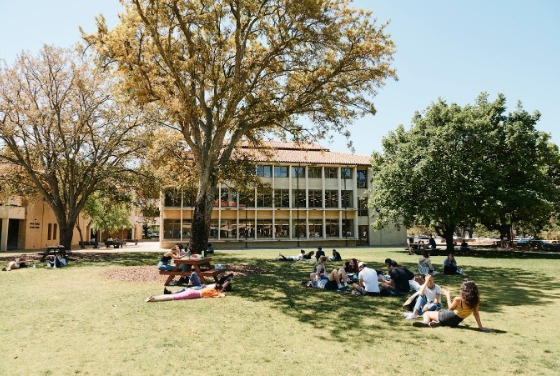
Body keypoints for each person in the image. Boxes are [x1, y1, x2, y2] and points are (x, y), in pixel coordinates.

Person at [413, 279, 493, 332]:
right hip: (455, 322)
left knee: (427, 313)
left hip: (448, 316)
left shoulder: (458, 299)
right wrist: (481, 327)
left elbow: (450, 308)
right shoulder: (476, 301)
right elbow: (476, 313)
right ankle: (438, 323)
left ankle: (426, 322)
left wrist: (447, 295)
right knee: (439, 315)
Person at [146, 281, 231, 302]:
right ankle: (154, 299)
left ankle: (155, 297)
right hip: (193, 293)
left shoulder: (212, 287)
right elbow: (222, 295)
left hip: (192, 291)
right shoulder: (215, 292)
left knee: (174, 296)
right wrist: (222, 292)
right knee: (173, 297)